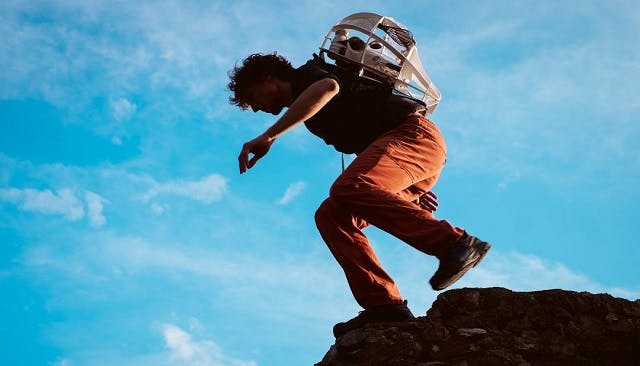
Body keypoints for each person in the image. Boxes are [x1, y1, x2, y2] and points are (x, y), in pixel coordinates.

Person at [228, 52, 490, 338]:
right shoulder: (313, 118)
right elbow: (373, 145)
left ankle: (455, 243)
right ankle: (385, 306)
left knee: (347, 187)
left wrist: (269, 136)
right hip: (407, 154)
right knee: (331, 215)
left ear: (267, 77)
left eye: (252, 97)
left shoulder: (309, 75)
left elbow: (328, 87)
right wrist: (404, 191)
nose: (255, 109)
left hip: (413, 137)